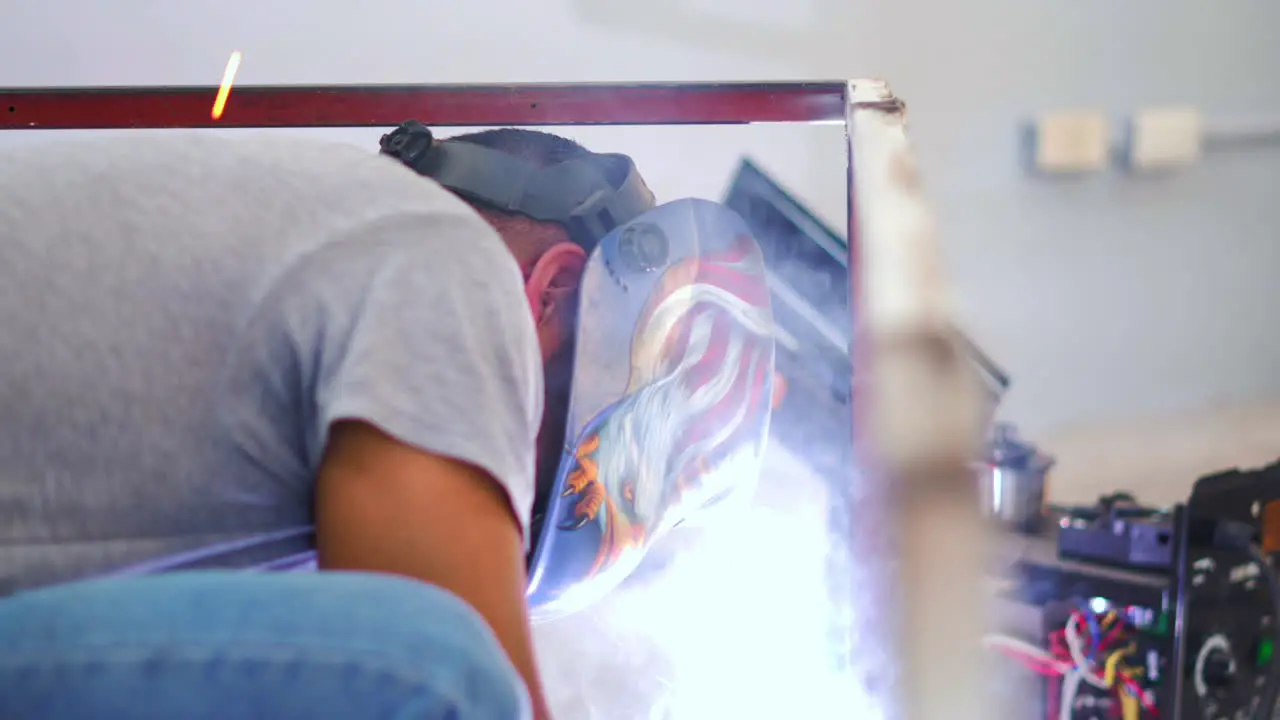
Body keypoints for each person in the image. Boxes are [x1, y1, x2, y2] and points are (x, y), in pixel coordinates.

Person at [0, 123, 653, 719]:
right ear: (556, 296)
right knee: (447, 679)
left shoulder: (318, 229)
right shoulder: (452, 261)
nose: (506, 523)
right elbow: (453, 657)